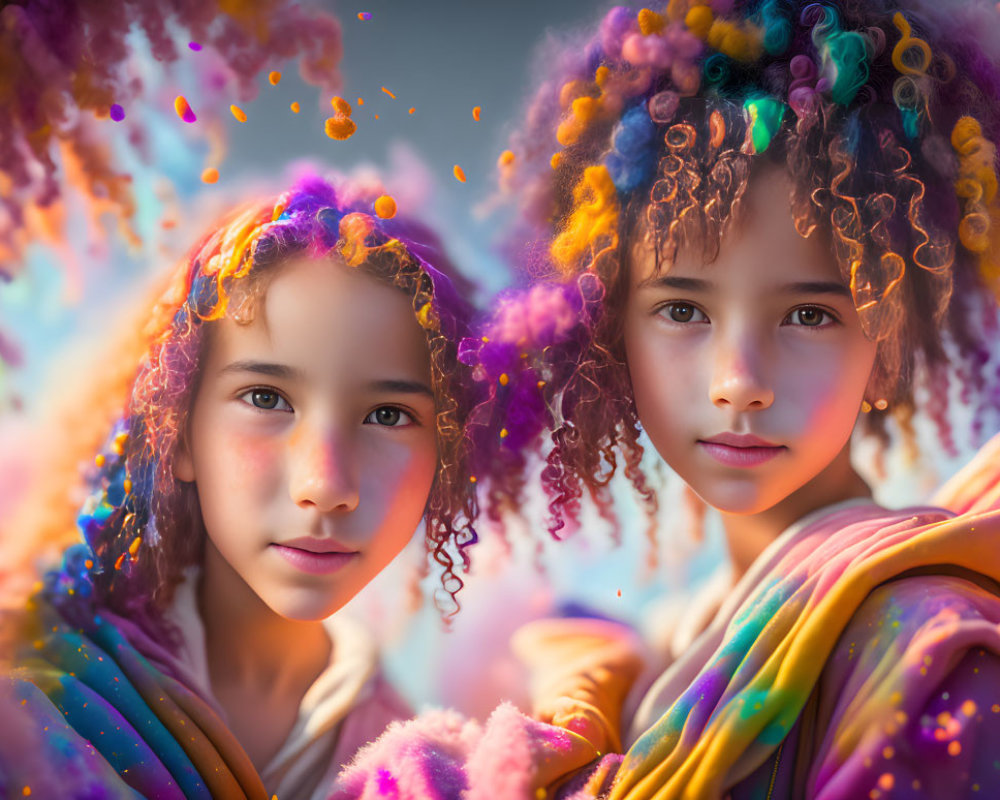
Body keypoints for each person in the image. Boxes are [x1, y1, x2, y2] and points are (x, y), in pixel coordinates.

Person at [331, 2, 1000, 798]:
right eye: (683, 311)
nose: (738, 380)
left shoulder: (933, 655)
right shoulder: (657, 647)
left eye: (809, 315)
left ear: (886, 345)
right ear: (611, 337)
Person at [2, 173, 482, 800]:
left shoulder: (426, 765)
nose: (325, 484)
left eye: (388, 415)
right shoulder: (38, 689)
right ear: (176, 434)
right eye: (266, 398)